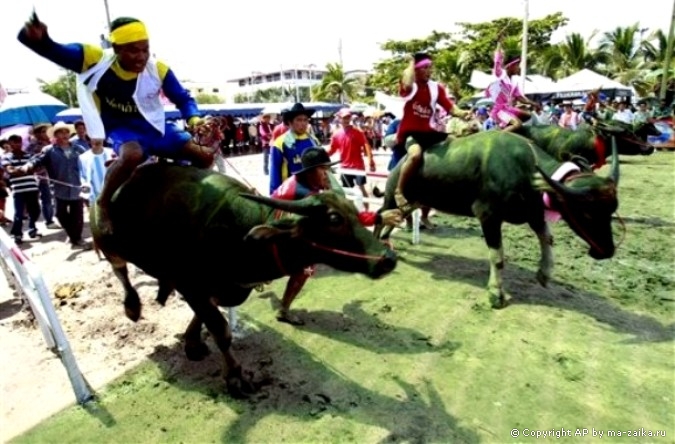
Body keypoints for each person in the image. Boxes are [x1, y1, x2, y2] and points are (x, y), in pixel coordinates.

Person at [18, 14, 214, 235]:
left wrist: (195, 119)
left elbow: (184, 99)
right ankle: (104, 203)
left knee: (205, 155)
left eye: (145, 49)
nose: (141, 57)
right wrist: (41, 40)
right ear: (116, 48)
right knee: (132, 155)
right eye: (133, 50)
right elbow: (55, 50)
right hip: (120, 128)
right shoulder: (94, 59)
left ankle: (188, 193)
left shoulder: (158, 69)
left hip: (154, 126)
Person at [271, 147, 402, 325]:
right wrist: (378, 218)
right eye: (323, 169)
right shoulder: (305, 193)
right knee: (303, 271)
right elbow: (346, 219)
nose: (327, 174)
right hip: (283, 239)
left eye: (328, 169)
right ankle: (283, 310)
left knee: (304, 269)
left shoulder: (306, 184)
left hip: (284, 231)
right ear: (310, 171)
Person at [393, 52, 471, 212]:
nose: (430, 71)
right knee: (415, 155)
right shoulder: (410, 85)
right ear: (416, 70)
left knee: (456, 143)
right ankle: (399, 191)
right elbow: (407, 83)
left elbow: (450, 108)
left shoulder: (436, 88)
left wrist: (462, 113)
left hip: (429, 132)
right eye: (425, 68)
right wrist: (411, 63)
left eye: (430, 67)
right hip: (411, 133)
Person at [485, 37, 540, 133]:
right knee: (517, 124)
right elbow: (497, 62)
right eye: (517, 66)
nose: (519, 68)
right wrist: (499, 44)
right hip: (499, 111)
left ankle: (507, 127)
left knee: (528, 116)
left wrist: (534, 103)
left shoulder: (514, 83)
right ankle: (499, 136)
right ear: (511, 66)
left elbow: (520, 98)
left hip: (508, 109)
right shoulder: (500, 75)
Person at [269, 103, 322, 194]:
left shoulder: (313, 141)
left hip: (313, 192)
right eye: (299, 120)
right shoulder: (280, 143)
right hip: (291, 193)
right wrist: (275, 197)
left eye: (305, 120)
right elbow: (275, 173)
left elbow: (321, 167)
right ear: (290, 122)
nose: (303, 123)